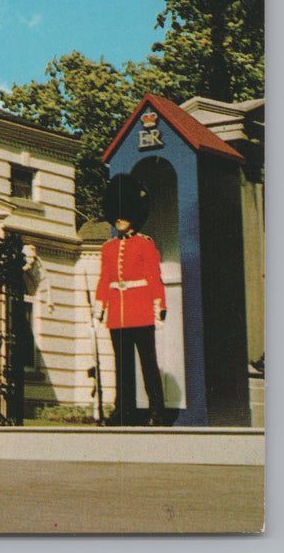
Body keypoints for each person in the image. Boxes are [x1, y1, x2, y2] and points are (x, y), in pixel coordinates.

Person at [94, 174, 168, 427]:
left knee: (148, 364)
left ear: (133, 216)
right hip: (117, 313)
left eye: (124, 214)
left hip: (141, 311)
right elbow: (105, 280)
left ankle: (157, 410)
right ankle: (122, 411)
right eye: (117, 214)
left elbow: (154, 278)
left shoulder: (145, 244)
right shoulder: (108, 248)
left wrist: (159, 308)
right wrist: (98, 310)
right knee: (122, 366)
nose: (119, 219)